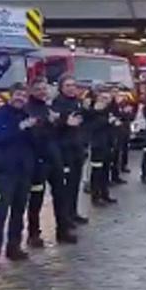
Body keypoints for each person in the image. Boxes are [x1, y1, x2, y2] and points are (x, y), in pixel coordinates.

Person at [0, 83, 36, 267]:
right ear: (10, 95)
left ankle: (14, 247)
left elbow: (36, 143)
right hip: (4, 172)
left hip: (24, 172)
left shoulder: (29, 116)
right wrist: (19, 128)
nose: (20, 98)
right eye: (17, 94)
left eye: (23, 95)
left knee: (18, 211)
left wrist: (35, 129)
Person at [25, 78, 77, 246]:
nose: (42, 92)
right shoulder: (28, 109)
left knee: (60, 195)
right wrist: (52, 121)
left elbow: (57, 127)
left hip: (55, 157)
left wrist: (60, 122)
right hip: (39, 160)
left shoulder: (48, 107)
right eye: (38, 89)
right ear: (31, 91)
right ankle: (33, 234)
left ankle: (62, 230)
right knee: (36, 198)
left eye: (44, 89)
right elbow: (35, 130)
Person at [52, 74, 89, 226]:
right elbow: (54, 124)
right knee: (66, 186)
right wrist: (65, 122)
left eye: (73, 85)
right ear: (61, 87)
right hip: (64, 149)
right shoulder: (57, 103)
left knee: (75, 183)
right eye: (68, 85)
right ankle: (65, 217)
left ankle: (73, 213)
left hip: (77, 148)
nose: (71, 88)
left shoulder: (78, 103)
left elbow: (83, 123)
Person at [85, 88, 118, 207]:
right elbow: (90, 127)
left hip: (108, 144)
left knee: (105, 170)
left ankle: (105, 194)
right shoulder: (92, 111)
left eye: (108, 98)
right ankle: (95, 196)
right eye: (103, 98)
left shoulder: (109, 110)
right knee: (97, 171)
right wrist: (106, 121)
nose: (106, 101)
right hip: (97, 145)